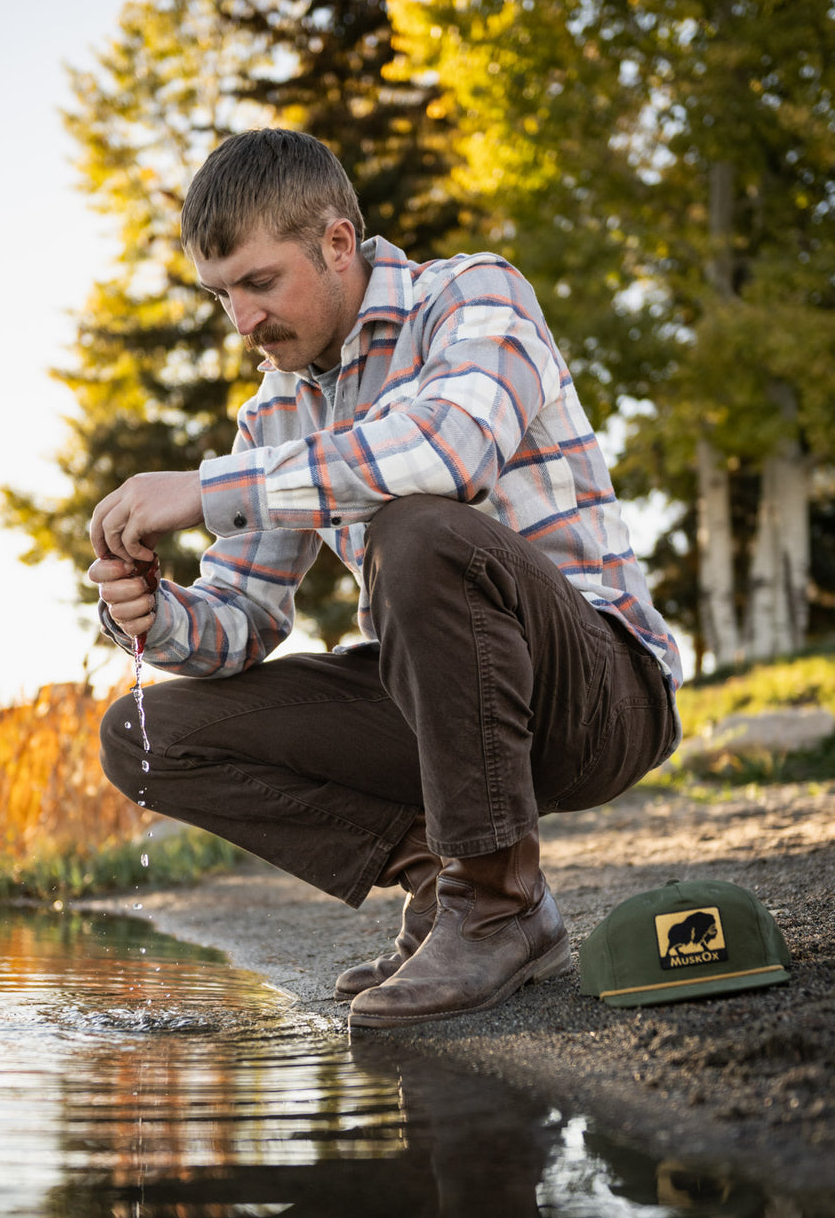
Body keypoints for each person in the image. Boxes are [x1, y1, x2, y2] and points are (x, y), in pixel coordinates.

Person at [89, 128, 682, 1029]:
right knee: (143, 737)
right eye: (222, 296)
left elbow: (448, 451)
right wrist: (153, 612)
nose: (241, 323)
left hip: (599, 695)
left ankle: (500, 905)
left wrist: (206, 489)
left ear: (336, 244)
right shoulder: (275, 413)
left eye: (258, 283)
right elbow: (242, 620)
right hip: (449, 721)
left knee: (417, 528)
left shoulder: (476, 296)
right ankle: (447, 884)